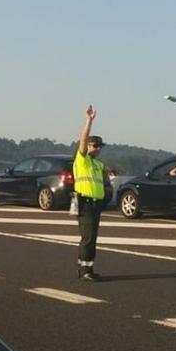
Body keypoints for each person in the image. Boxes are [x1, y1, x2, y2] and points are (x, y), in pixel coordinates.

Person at [73, 105, 110, 281]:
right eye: (95, 145)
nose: (98, 149)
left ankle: (88, 267)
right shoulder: (83, 160)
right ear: (88, 146)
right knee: (87, 238)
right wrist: (89, 121)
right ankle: (84, 270)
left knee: (92, 238)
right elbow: (82, 140)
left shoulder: (98, 164)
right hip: (85, 202)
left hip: (96, 203)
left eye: (100, 146)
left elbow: (104, 179)